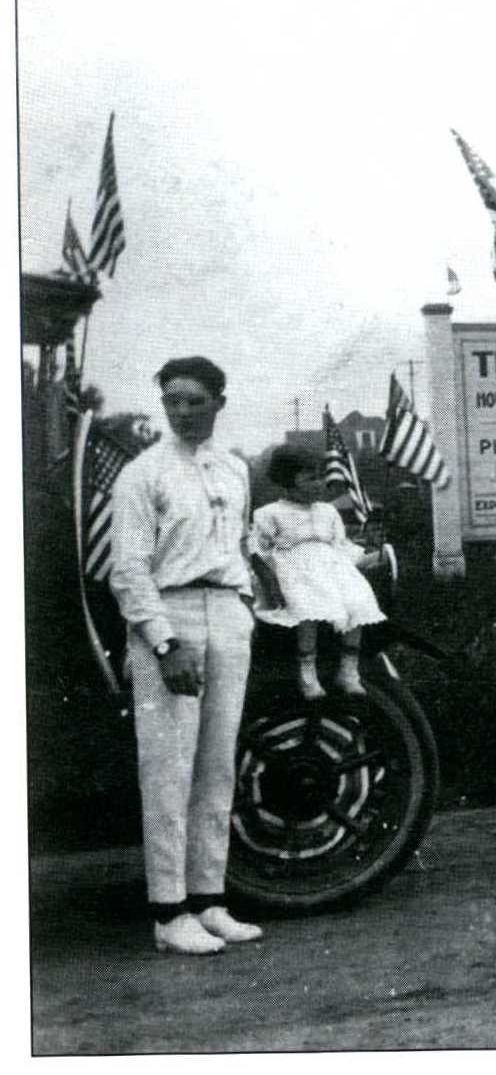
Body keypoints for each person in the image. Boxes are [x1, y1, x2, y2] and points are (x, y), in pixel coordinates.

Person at [108, 357, 264, 955]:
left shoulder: (233, 468)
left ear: (219, 401)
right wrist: (164, 641)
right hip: (167, 617)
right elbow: (128, 569)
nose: (181, 410)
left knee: (218, 765)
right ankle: (169, 913)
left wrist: (244, 601)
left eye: (194, 399)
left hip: (226, 612)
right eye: (171, 399)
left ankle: (208, 901)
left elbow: (238, 544)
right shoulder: (143, 474)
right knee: (169, 771)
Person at [252, 446, 386, 700]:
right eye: (309, 478)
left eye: (320, 477)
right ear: (287, 482)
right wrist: (270, 581)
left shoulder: (328, 511)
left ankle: (348, 670)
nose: (319, 483)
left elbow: (341, 546)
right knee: (308, 607)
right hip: (295, 570)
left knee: (358, 601)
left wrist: (368, 556)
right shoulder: (269, 513)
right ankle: (307, 672)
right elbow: (259, 550)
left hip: (332, 568)